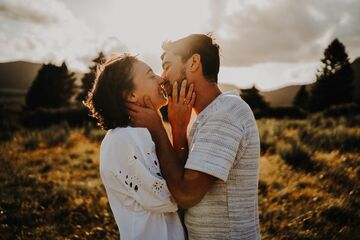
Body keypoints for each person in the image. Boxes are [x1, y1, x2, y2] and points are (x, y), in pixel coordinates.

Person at [128, 34, 261, 239]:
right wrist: (179, 130)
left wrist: (158, 127)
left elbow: (186, 194)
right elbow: (181, 177)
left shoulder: (225, 112)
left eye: (167, 65)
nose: (162, 77)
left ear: (194, 63)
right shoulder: (205, 117)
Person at [84, 54, 192, 240]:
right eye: (150, 75)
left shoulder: (142, 134)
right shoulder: (121, 140)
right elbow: (173, 197)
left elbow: (178, 181)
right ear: (131, 95)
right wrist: (173, 129)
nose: (161, 78)